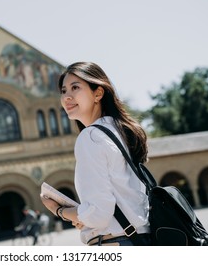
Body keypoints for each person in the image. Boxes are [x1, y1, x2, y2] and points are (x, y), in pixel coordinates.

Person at [41, 62, 151, 246]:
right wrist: (85, 214)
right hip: (140, 238)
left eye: (75, 88)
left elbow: (99, 215)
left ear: (98, 94)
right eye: (63, 91)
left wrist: (59, 210)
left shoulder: (90, 137)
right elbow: (114, 203)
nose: (67, 97)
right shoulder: (118, 131)